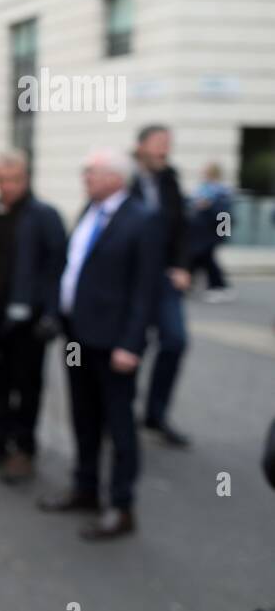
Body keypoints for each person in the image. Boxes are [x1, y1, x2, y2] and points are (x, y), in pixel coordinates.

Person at [40, 148, 160, 540]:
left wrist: (132, 344)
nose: (85, 178)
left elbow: (145, 291)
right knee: (83, 416)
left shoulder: (141, 221)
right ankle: (85, 488)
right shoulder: (89, 211)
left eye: (90, 172)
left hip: (114, 344)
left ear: (115, 177)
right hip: (78, 336)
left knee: (118, 423)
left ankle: (122, 506)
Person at [0, 150, 66, 483]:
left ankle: (23, 448)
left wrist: (51, 312)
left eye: (14, 179)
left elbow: (56, 268)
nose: (7, 186)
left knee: (27, 384)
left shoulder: (44, 216)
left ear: (26, 178)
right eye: (2, 180)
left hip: (29, 319)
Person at [129, 124, 191, 447]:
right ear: (140, 147)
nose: (164, 151)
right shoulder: (123, 180)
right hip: (131, 279)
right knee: (130, 347)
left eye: (168, 144)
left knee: (175, 340)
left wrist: (181, 266)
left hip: (164, 278)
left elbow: (181, 227)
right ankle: (120, 413)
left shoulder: (171, 180)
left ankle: (156, 412)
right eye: (159, 144)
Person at [188, 163, 234, 302]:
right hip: (200, 232)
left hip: (212, 233)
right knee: (199, 258)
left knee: (207, 259)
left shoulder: (221, 192)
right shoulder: (203, 189)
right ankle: (189, 282)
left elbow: (225, 215)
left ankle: (219, 287)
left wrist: (222, 235)